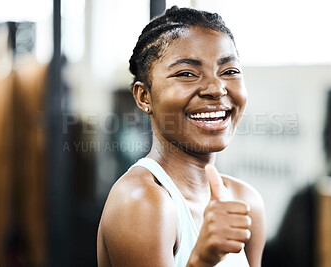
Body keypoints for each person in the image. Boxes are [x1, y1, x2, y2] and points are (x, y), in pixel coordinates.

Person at [97, 6, 266, 267]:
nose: (216, 88)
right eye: (187, 74)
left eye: (229, 71)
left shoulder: (246, 201)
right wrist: (201, 259)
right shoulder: (141, 202)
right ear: (144, 97)